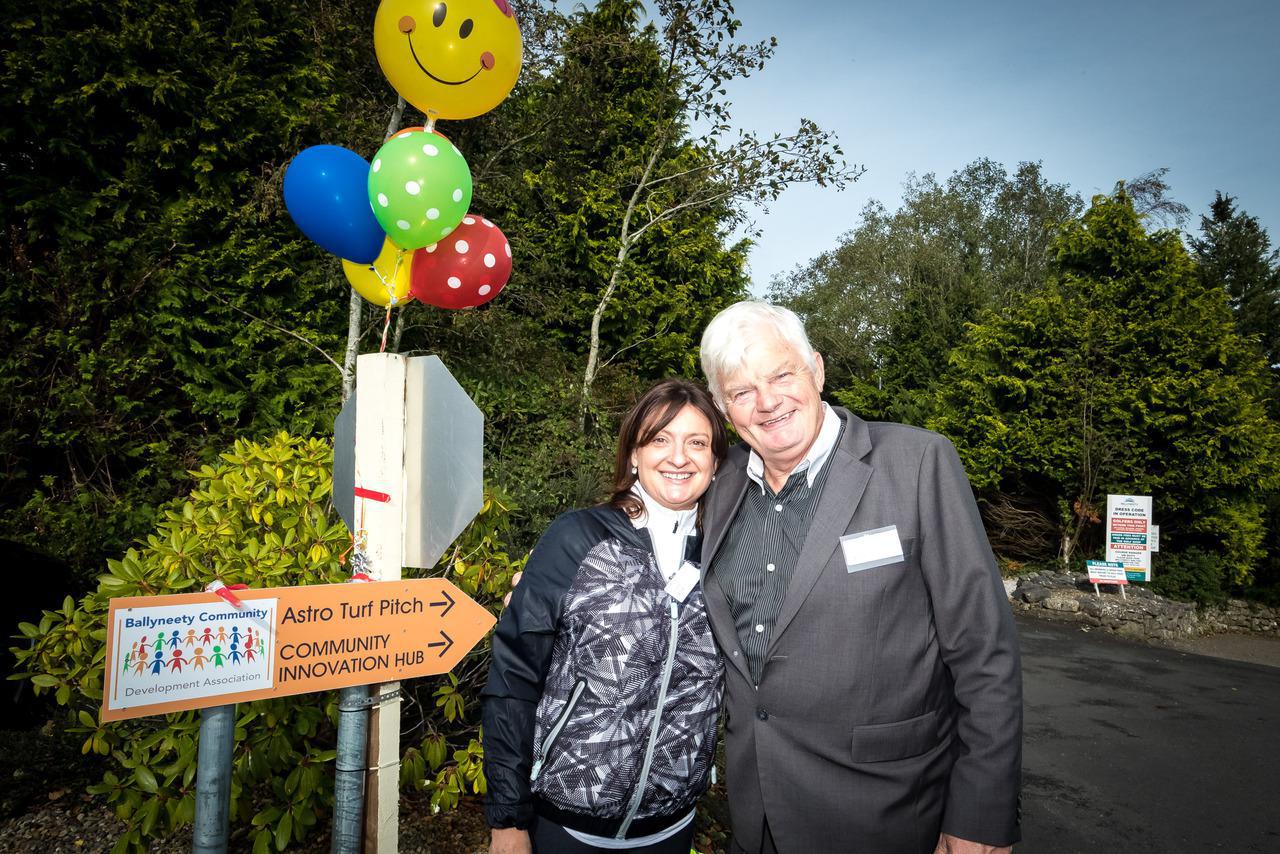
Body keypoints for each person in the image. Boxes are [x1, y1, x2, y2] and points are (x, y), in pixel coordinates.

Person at [697, 301, 1022, 854]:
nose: (768, 402)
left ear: (817, 369)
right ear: (725, 408)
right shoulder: (720, 484)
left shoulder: (918, 463)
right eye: (742, 391)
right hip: (758, 814)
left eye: (781, 374)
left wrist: (980, 812)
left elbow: (983, 651)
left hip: (888, 811)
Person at [483, 379, 729, 854]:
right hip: (567, 827)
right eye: (660, 439)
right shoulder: (578, 538)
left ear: (716, 462)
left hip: (674, 828)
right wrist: (507, 820)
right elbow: (514, 677)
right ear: (634, 453)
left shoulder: (726, 554)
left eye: (697, 443)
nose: (679, 457)